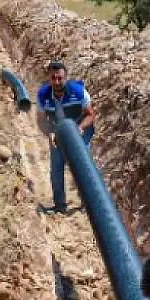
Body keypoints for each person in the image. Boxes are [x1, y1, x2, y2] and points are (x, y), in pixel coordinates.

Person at [35, 61, 96, 214]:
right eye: (53, 78)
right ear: (49, 79)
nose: (56, 82)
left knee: (84, 168)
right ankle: (59, 205)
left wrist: (80, 128)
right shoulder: (43, 95)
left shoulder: (79, 92)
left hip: (79, 131)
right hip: (57, 132)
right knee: (56, 168)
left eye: (60, 78)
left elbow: (90, 115)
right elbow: (41, 120)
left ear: (66, 78)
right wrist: (49, 134)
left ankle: (87, 204)